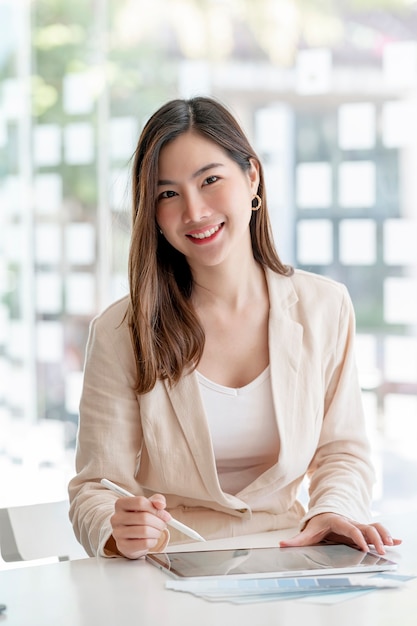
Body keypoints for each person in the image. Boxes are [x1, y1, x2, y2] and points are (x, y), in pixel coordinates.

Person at [68, 96, 401, 560]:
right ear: (153, 214)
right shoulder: (121, 331)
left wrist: (331, 511)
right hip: (169, 566)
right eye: (168, 194)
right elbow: (95, 487)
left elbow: (342, 451)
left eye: (210, 180)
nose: (195, 211)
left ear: (251, 177)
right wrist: (116, 526)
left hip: (292, 556)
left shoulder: (324, 306)